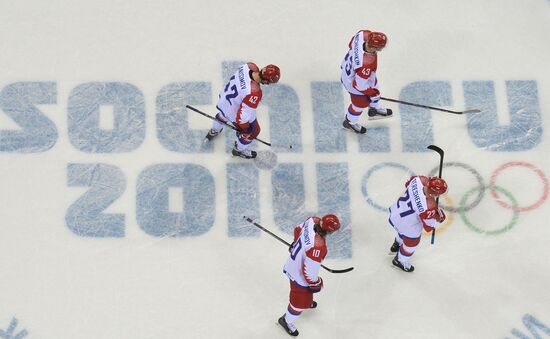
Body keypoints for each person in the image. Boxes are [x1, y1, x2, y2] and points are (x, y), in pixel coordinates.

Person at [278, 214, 341, 337]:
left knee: (307, 293)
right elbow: (309, 272)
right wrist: (316, 283)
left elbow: (297, 229)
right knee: (299, 303)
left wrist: (295, 243)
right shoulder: (318, 246)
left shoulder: (312, 220)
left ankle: (308, 301)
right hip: (297, 275)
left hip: (293, 263)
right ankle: (286, 320)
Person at [204, 62, 280, 159]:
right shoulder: (254, 92)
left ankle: (214, 130)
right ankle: (238, 150)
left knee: (222, 115)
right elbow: (243, 116)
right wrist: (245, 129)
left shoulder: (249, 66)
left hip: (224, 100)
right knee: (254, 131)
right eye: (269, 82)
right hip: (233, 110)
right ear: (266, 80)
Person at [388, 176, 448, 272]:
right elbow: (429, 226)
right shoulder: (430, 206)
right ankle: (399, 261)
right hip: (408, 226)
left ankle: (397, 244)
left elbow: (407, 184)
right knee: (411, 244)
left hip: (396, 214)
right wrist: (439, 217)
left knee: (401, 231)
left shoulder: (419, 179)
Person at [340, 29, 392, 134]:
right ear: (373, 47)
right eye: (380, 48)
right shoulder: (366, 63)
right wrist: (372, 94)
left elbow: (350, 43)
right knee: (360, 104)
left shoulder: (362, 35)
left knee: (374, 86)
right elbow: (359, 85)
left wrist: (374, 92)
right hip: (352, 82)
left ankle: (374, 109)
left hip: (359, 74)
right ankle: (350, 122)